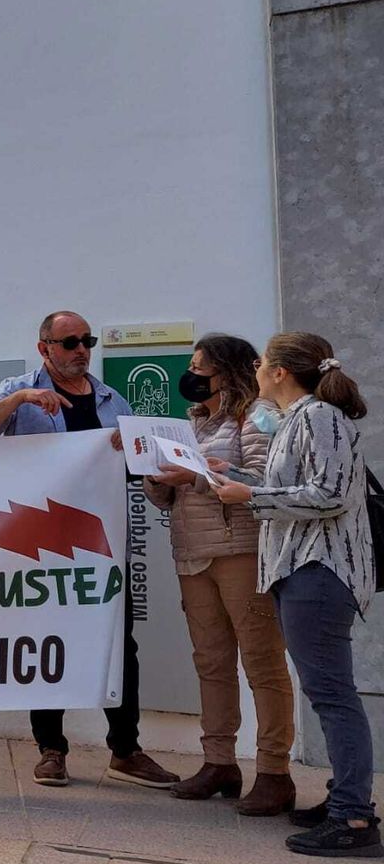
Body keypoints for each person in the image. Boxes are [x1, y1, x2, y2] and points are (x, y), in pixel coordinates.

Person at [0, 310, 179, 790]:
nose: (81, 349)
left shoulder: (109, 399)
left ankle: (125, 750)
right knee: (47, 640)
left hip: (100, 545)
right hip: (42, 542)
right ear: (44, 349)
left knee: (119, 643)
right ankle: (51, 749)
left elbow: (145, 465)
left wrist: (134, 446)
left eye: (87, 340)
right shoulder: (20, 392)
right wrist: (19, 397)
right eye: (69, 342)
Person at [210, 333, 378, 857]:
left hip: (319, 570)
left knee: (332, 695)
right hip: (301, 569)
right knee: (325, 692)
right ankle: (343, 802)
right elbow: (295, 487)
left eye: (262, 362)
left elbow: (328, 494)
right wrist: (232, 476)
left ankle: (353, 817)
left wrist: (250, 493)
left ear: (280, 371)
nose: (256, 369)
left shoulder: (318, 416)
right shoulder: (296, 419)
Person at [141, 336, 295, 815]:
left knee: (262, 663)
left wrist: (198, 476)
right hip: (192, 554)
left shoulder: (257, 416)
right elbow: (167, 500)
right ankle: (219, 763)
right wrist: (155, 476)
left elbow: (264, 481)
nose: (191, 375)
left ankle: (274, 772)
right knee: (210, 662)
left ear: (226, 372)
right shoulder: (191, 423)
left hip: (241, 552)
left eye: (198, 367)